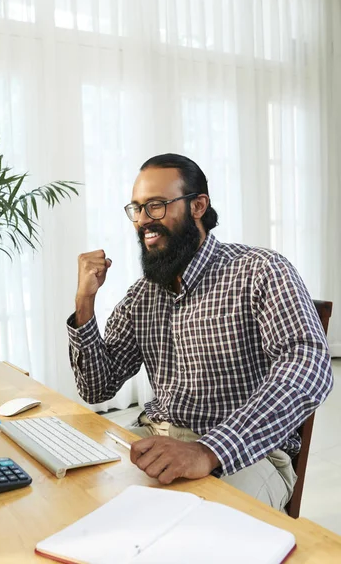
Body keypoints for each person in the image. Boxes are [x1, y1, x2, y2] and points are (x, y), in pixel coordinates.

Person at [67, 153, 333, 511]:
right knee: (76, 498)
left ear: (198, 205)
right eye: (137, 208)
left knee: (194, 538)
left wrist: (208, 450)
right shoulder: (143, 293)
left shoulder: (260, 271)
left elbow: (309, 368)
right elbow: (98, 387)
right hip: (155, 438)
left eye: (157, 206)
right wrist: (85, 303)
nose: (144, 220)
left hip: (248, 453)